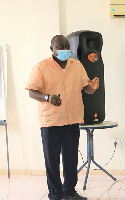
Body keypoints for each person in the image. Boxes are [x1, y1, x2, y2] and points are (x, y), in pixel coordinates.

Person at [25, 35, 99, 200]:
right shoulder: (41, 67)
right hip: (51, 121)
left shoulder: (77, 65)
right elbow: (31, 91)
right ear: (52, 49)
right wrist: (48, 98)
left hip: (72, 118)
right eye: (61, 47)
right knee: (52, 161)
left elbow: (86, 87)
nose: (65, 50)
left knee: (71, 159)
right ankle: (56, 194)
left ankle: (70, 191)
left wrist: (92, 88)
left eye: (67, 46)